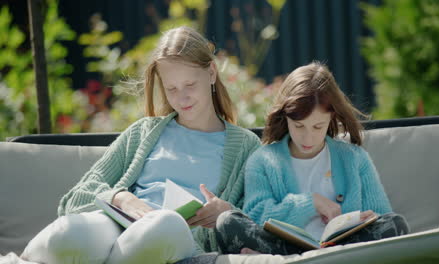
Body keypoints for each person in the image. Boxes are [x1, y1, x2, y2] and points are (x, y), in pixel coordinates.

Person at [21, 26, 260, 264]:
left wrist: (226, 212)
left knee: (165, 224)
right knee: (69, 233)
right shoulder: (144, 131)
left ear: (211, 73)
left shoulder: (246, 146)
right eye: (171, 89)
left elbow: (261, 218)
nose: (182, 97)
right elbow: (75, 199)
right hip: (121, 225)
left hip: (174, 237)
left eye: (190, 85)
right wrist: (120, 197)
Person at [215, 61, 409, 255]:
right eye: (299, 126)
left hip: (342, 251)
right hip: (284, 250)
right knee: (227, 222)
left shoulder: (355, 159)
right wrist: (310, 203)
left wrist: (365, 219)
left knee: (395, 223)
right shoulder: (262, 160)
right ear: (285, 116)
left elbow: (382, 217)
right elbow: (256, 218)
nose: (308, 138)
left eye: (318, 126)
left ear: (332, 117)